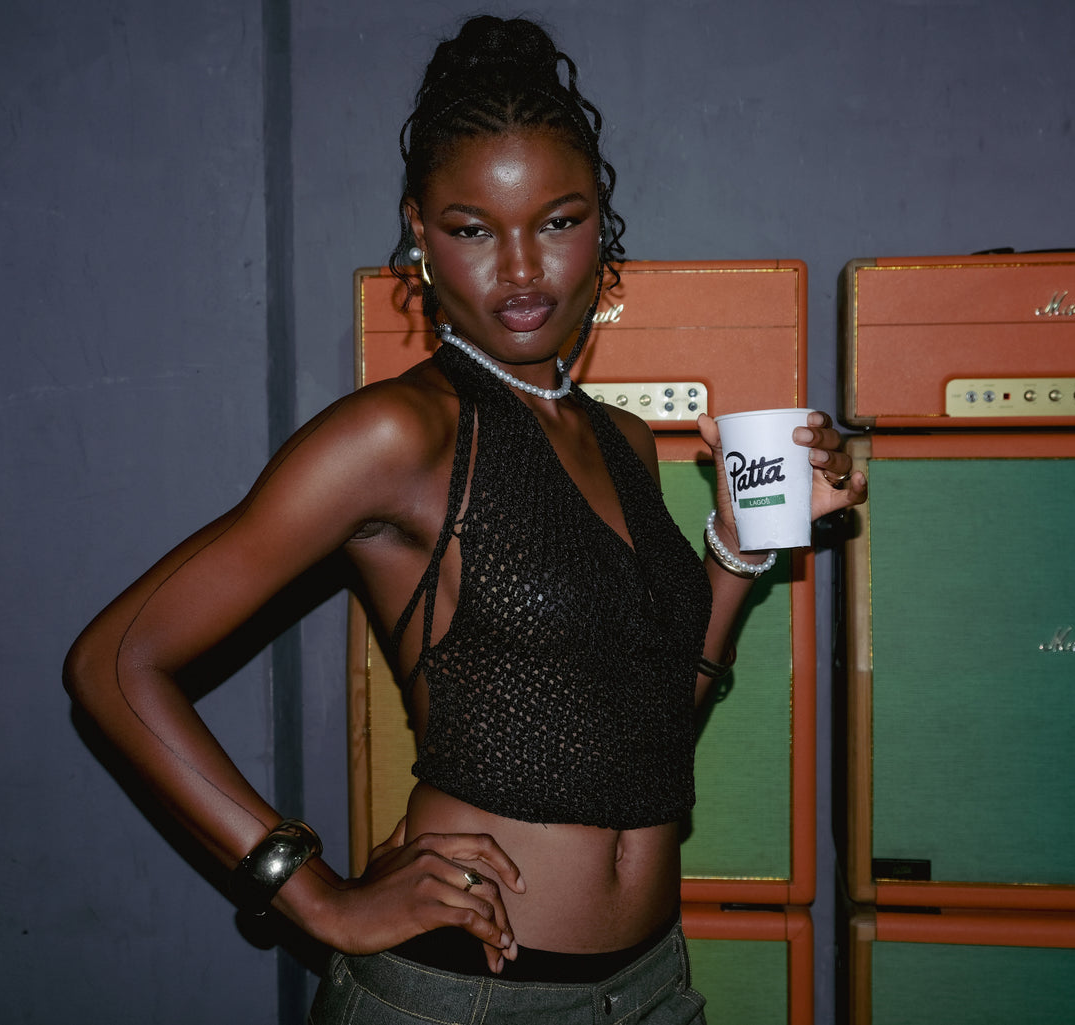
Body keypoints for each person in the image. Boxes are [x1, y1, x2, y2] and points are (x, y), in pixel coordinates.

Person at [64, 14, 866, 1024]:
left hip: (652, 986)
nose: (522, 270)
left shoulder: (624, 440)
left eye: (558, 222)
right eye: (473, 229)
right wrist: (309, 891)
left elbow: (650, 726)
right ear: (419, 231)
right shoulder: (397, 433)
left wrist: (739, 551)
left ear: (601, 223)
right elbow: (115, 663)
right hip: (459, 996)